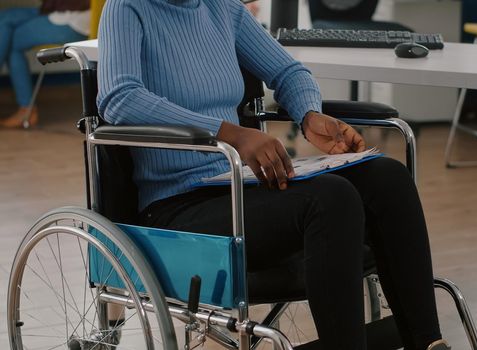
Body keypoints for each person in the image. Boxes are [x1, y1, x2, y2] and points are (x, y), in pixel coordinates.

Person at [97, 0, 450, 349]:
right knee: (330, 198)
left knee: (387, 177)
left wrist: (309, 114)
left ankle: (427, 342)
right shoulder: (127, 8)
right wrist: (231, 133)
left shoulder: (222, 8)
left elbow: (288, 72)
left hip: (237, 186)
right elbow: (120, 99)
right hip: (177, 205)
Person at [0, 0, 90, 128]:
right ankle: (26, 109)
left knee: (12, 39)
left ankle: (26, 110)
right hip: (65, 12)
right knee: (4, 18)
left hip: (71, 18)